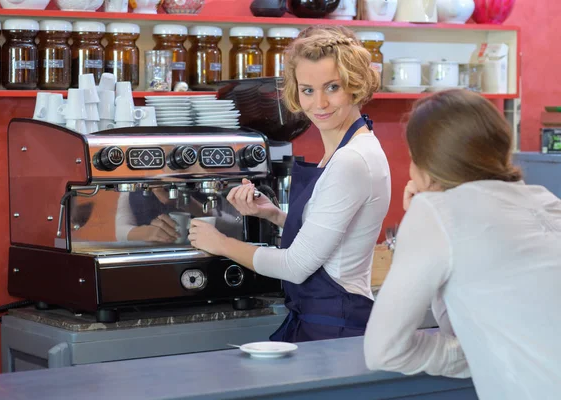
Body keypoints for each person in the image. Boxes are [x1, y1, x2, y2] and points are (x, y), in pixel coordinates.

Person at [188, 25, 391, 343]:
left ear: (356, 85)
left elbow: (296, 266)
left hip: (334, 325)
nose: (319, 102)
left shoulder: (352, 160)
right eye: (308, 90)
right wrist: (274, 215)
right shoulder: (349, 150)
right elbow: (336, 237)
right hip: (327, 318)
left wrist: (220, 244)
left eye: (332, 87)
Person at [364, 89, 561, 399]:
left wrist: (472, 354)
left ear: (424, 164)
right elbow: (464, 310)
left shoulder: (435, 211)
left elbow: (383, 351)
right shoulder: (546, 200)